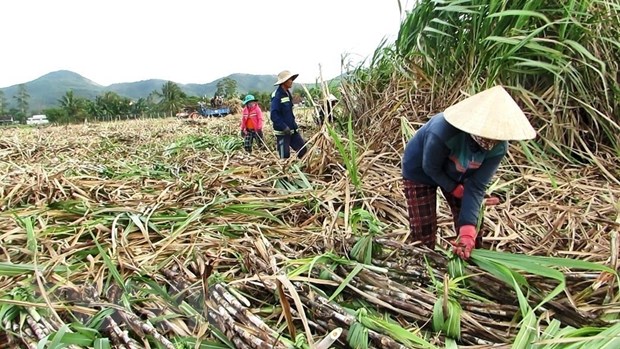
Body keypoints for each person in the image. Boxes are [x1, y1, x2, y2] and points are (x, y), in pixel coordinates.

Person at [401, 85, 536, 259]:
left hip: (459, 174)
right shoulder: (442, 131)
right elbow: (431, 167)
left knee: (473, 231)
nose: (490, 141)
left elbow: (477, 186)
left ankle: (468, 263)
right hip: (420, 171)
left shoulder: (498, 147)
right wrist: (453, 188)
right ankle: (422, 265)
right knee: (423, 232)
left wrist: (467, 232)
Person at [270, 70, 307, 159]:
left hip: (292, 130)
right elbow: (274, 114)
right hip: (282, 132)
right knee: (284, 155)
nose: (291, 81)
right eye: (289, 79)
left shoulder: (287, 94)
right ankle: (285, 172)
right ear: (284, 82)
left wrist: (294, 126)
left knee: (303, 151)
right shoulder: (277, 95)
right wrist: (283, 127)